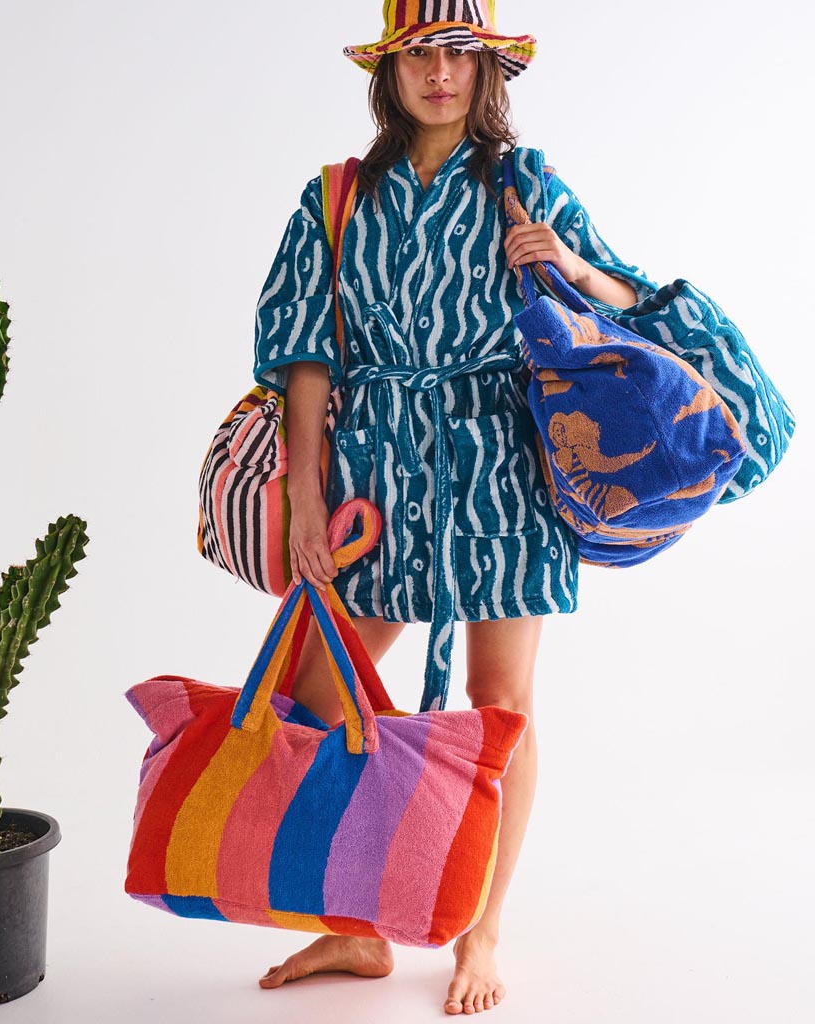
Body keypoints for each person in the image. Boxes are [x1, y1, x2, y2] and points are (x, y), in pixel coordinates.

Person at [252, 1, 657, 1015]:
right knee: (311, 687)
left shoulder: (523, 182)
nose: (439, 73)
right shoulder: (336, 197)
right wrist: (305, 491)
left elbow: (627, 297)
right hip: (377, 474)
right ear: (385, 75)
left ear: (487, 73)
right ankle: (356, 929)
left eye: (457, 54)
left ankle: (478, 929)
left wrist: (561, 264)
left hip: (500, 468)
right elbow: (304, 350)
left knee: (501, 709)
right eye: (418, 55)